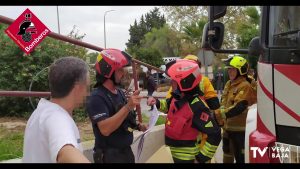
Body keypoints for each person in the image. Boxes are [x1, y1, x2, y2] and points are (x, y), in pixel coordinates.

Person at [147, 59, 221, 163]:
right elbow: (168, 106)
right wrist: (157, 103)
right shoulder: (177, 97)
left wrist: (201, 158)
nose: (171, 82)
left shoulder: (197, 107)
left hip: (187, 159)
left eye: (174, 81)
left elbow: (215, 134)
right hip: (170, 154)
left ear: (184, 82)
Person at [23, 57, 90, 163]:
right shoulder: (58, 118)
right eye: (87, 87)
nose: (88, 93)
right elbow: (66, 153)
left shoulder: (41, 112)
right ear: (78, 88)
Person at [86, 48, 147, 163]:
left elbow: (125, 119)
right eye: (119, 70)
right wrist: (128, 106)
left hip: (126, 152)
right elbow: (105, 129)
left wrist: (138, 126)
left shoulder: (120, 92)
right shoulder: (97, 97)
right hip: (109, 155)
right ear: (107, 71)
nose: (123, 73)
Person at [214, 55, 257, 163]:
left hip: (240, 131)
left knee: (241, 158)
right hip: (227, 129)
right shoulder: (229, 84)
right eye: (229, 69)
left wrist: (218, 114)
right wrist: (220, 119)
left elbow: (239, 107)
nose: (229, 71)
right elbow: (223, 102)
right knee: (227, 156)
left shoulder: (245, 86)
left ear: (241, 70)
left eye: (232, 69)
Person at [166, 55, 223, 126]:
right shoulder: (204, 80)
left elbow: (168, 103)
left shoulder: (177, 81)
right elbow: (214, 105)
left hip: (183, 122)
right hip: (199, 120)